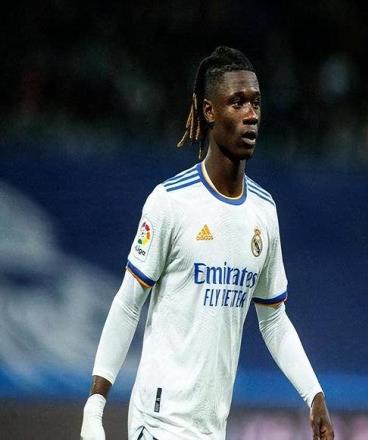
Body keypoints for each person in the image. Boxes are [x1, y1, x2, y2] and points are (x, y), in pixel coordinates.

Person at [80, 46, 334, 440]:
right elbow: (129, 303)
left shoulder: (263, 211)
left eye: (256, 103)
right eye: (237, 102)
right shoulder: (170, 201)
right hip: (158, 421)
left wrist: (314, 395)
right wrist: (95, 406)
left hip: (212, 427)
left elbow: (273, 319)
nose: (251, 114)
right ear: (209, 111)